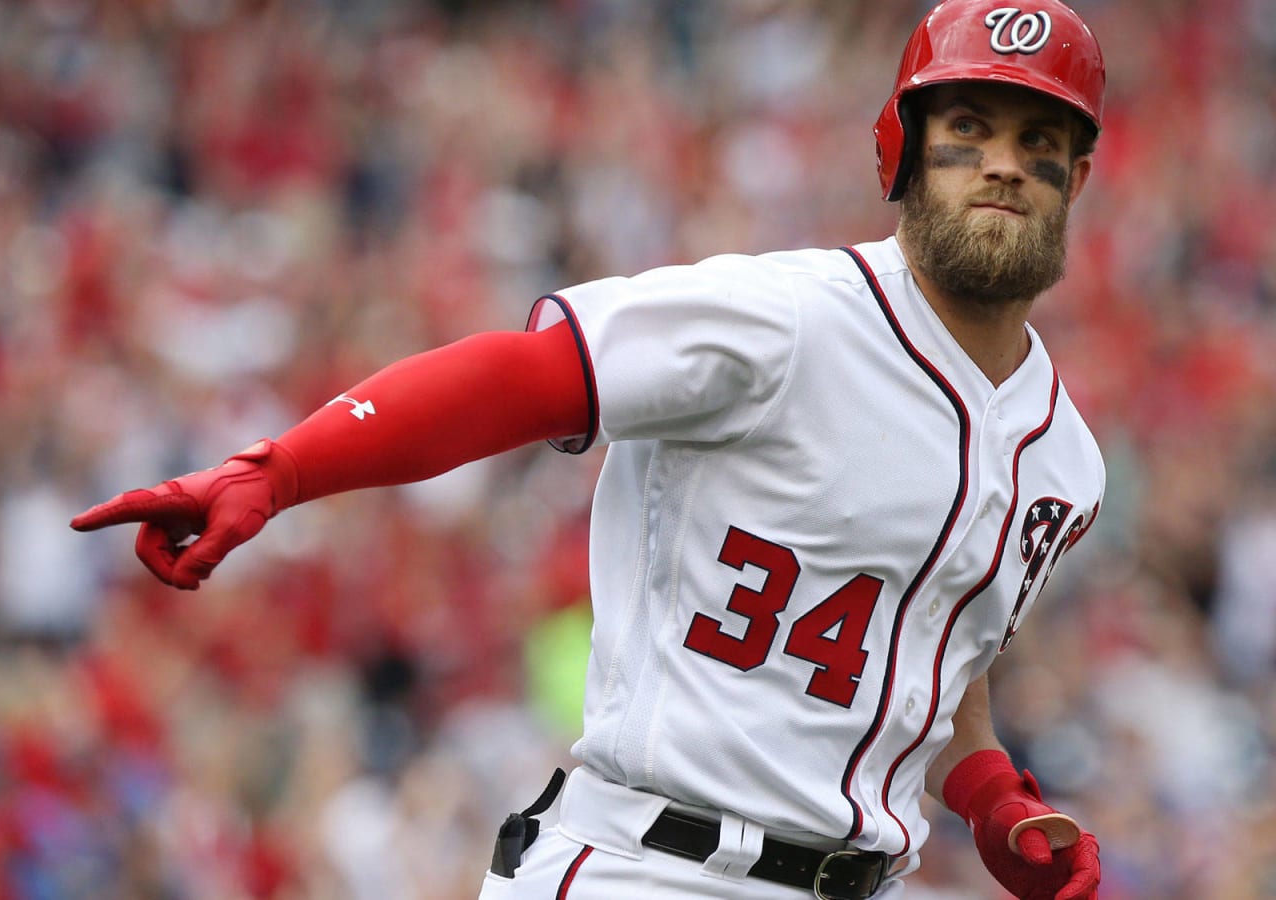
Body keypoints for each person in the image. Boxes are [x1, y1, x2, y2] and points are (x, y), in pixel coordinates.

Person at [71, 0, 1107, 896]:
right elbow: (519, 379)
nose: (1004, 162)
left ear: (1077, 177)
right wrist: (285, 468)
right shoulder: (783, 316)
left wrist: (989, 797)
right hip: (646, 869)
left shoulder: (1065, 460)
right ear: (903, 147)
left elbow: (931, 650)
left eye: (1038, 137)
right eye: (966, 126)